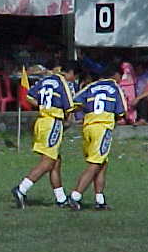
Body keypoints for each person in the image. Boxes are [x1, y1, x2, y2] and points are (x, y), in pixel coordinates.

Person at [10, 60, 80, 209]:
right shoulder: (64, 83)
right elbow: (69, 106)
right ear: (71, 73)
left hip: (41, 121)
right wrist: (69, 120)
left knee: (56, 161)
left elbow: (29, 96)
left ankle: (60, 198)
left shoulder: (46, 80)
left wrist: (43, 105)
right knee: (47, 162)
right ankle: (21, 189)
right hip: (53, 122)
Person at [69, 64, 126, 210]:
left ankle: (99, 200)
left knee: (102, 163)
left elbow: (75, 102)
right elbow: (121, 111)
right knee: (95, 164)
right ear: (115, 76)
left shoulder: (91, 86)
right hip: (102, 127)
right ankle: (76, 196)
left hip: (88, 127)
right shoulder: (114, 87)